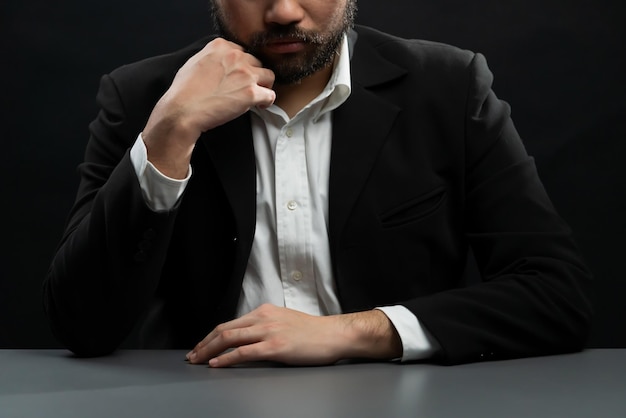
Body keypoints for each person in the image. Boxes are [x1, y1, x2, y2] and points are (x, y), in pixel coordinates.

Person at [43, 0, 592, 367]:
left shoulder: (448, 87)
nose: (283, 10)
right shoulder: (145, 97)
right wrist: (169, 133)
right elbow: (83, 327)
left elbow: (556, 295)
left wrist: (354, 333)